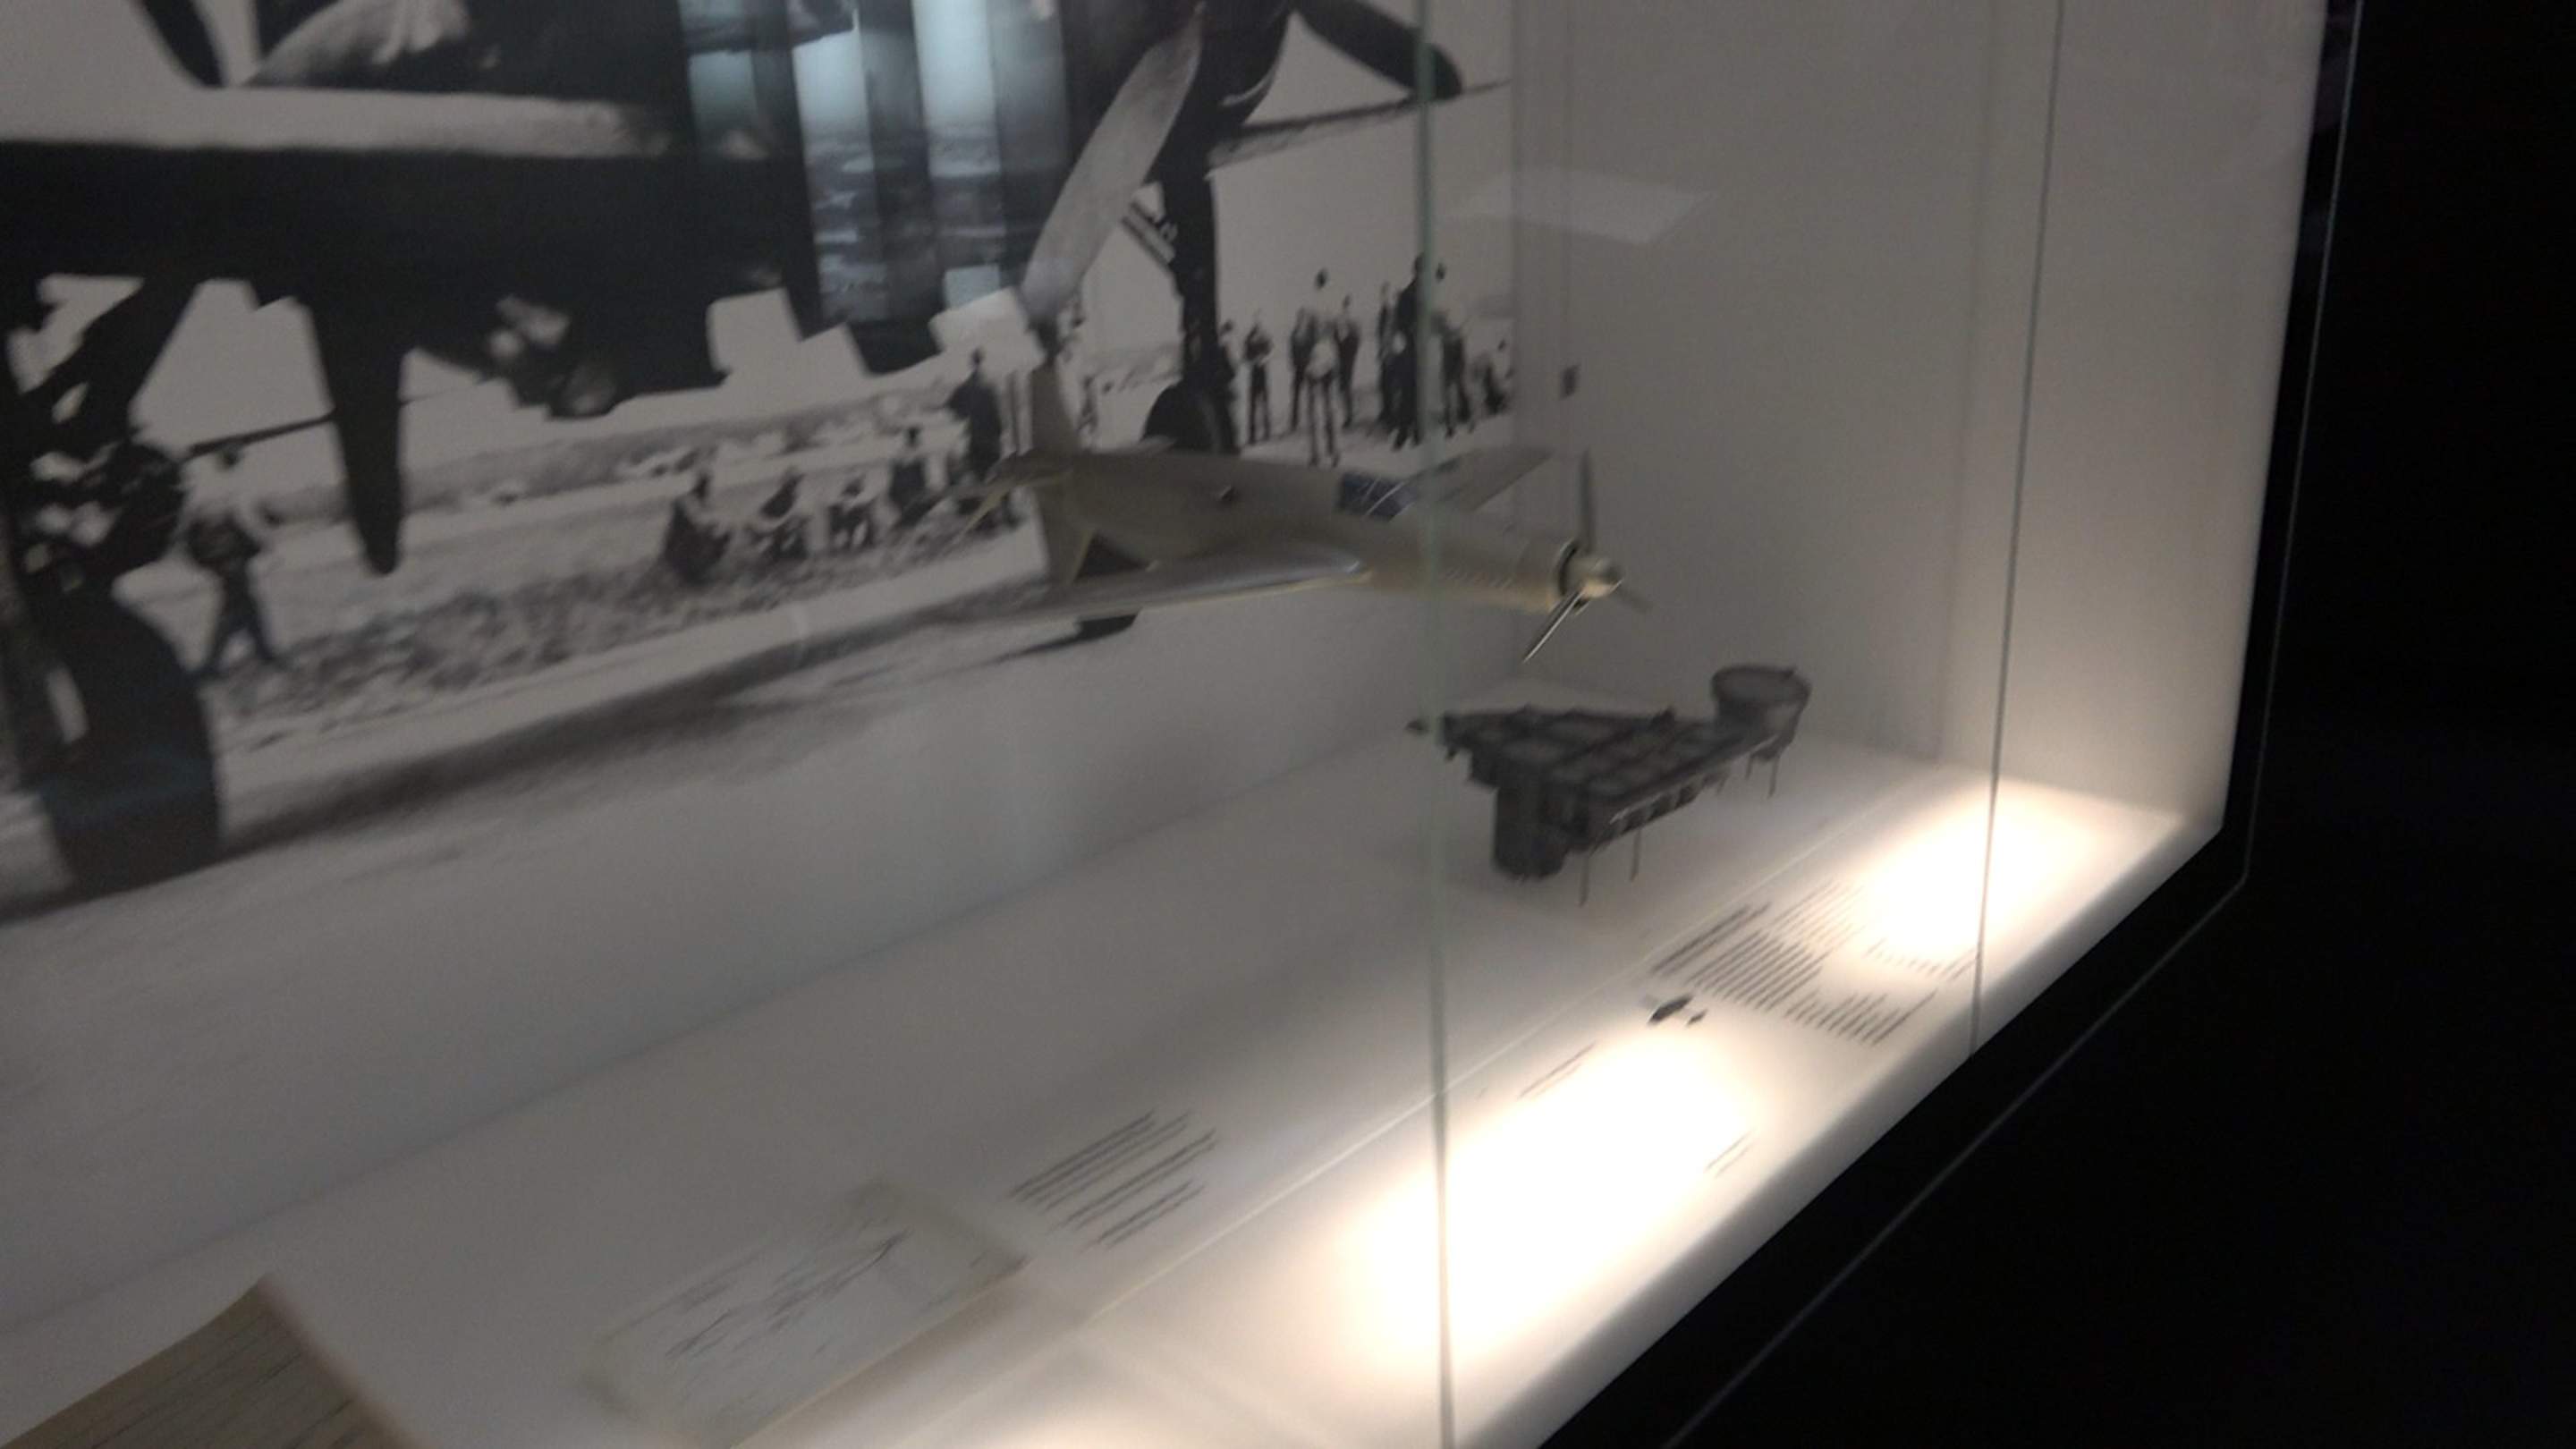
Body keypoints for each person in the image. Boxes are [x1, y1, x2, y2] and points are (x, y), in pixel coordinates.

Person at [181, 496, 280, 679]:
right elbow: (254, 548)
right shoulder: (209, 537)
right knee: (243, 619)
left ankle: (215, 665)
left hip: (235, 585)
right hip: (234, 585)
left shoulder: (220, 536)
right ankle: (263, 656)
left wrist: (235, 526)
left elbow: (254, 548)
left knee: (239, 619)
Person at [661, 471, 733, 584]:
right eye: (704, 485)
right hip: (678, 548)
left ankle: (700, 571)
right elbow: (698, 522)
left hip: (687, 545)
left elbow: (712, 521)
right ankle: (692, 573)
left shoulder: (702, 501)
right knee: (705, 535)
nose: (707, 488)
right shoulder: (686, 500)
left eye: (706, 485)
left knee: (723, 533)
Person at [1287, 270, 1326, 432]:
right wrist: (1293, 363)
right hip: (1299, 366)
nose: (1300, 319)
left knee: (1311, 394)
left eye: (1302, 316)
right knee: (1297, 394)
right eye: (1300, 317)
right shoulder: (1295, 333)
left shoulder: (1303, 333)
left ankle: (1305, 420)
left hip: (1306, 365)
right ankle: (1295, 421)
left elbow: (1309, 346)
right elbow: (1291, 349)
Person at [752, 470, 810, 564]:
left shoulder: (789, 496)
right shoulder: (784, 497)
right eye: (794, 482)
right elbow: (769, 518)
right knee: (795, 526)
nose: (797, 485)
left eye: (797, 482)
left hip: (770, 526)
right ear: (788, 484)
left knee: (797, 525)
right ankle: (774, 551)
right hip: (767, 526)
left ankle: (780, 550)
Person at [1303, 327, 1341, 466]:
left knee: (1317, 420)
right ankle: (1333, 452)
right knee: (1330, 420)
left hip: (1319, 387)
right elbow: (1335, 368)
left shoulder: (1318, 348)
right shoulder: (1331, 347)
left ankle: (1318, 455)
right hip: (1328, 387)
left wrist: (1312, 371)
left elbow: (1315, 370)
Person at [886, 426, 934, 530]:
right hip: (907, 481)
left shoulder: (912, 449)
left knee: (918, 499)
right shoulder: (908, 450)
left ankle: (910, 517)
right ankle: (909, 517)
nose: (916, 438)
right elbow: (896, 467)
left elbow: (895, 467)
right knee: (905, 498)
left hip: (909, 481)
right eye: (914, 436)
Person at [1440, 311, 1476, 436]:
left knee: (1462, 395)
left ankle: (1470, 420)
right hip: (1447, 371)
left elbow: (1461, 358)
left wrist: (1458, 372)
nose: (1446, 325)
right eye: (1445, 323)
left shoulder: (1458, 338)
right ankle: (1450, 427)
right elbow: (1444, 357)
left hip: (1458, 370)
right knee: (1448, 399)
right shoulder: (1444, 338)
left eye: (1447, 322)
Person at [1241, 313, 1275, 443]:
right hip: (1254, 373)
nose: (1257, 322)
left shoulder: (1265, 335)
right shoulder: (1249, 337)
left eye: (1259, 319)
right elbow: (1245, 356)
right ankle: (1252, 435)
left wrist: (1264, 359)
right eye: (1255, 319)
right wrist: (1252, 361)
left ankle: (1267, 432)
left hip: (1263, 372)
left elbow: (1271, 351)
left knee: (1265, 403)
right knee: (1252, 405)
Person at [1332, 295, 1361, 430]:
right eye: (1345, 307)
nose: (1346, 310)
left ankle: (1349, 417)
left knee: (1347, 387)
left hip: (1348, 359)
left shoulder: (1353, 323)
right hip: (1341, 358)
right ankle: (1346, 416)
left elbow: (1356, 342)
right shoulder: (1339, 321)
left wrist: (1349, 355)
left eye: (1347, 307)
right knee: (1342, 388)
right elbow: (1335, 339)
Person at [826, 472, 876, 553]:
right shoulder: (841, 503)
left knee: (860, 523)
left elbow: (865, 499)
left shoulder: (859, 502)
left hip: (853, 519)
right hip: (847, 520)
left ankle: (852, 543)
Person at [1374, 283, 1398, 431]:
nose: (1383, 298)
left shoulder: (1392, 312)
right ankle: (1386, 413)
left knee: (1391, 386)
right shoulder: (1383, 312)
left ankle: (1392, 418)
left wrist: (1387, 351)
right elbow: (1380, 334)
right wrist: (1380, 352)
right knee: (1384, 384)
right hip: (1384, 353)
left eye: (1386, 295)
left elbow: (1390, 335)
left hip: (1391, 354)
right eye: (1382, 295)